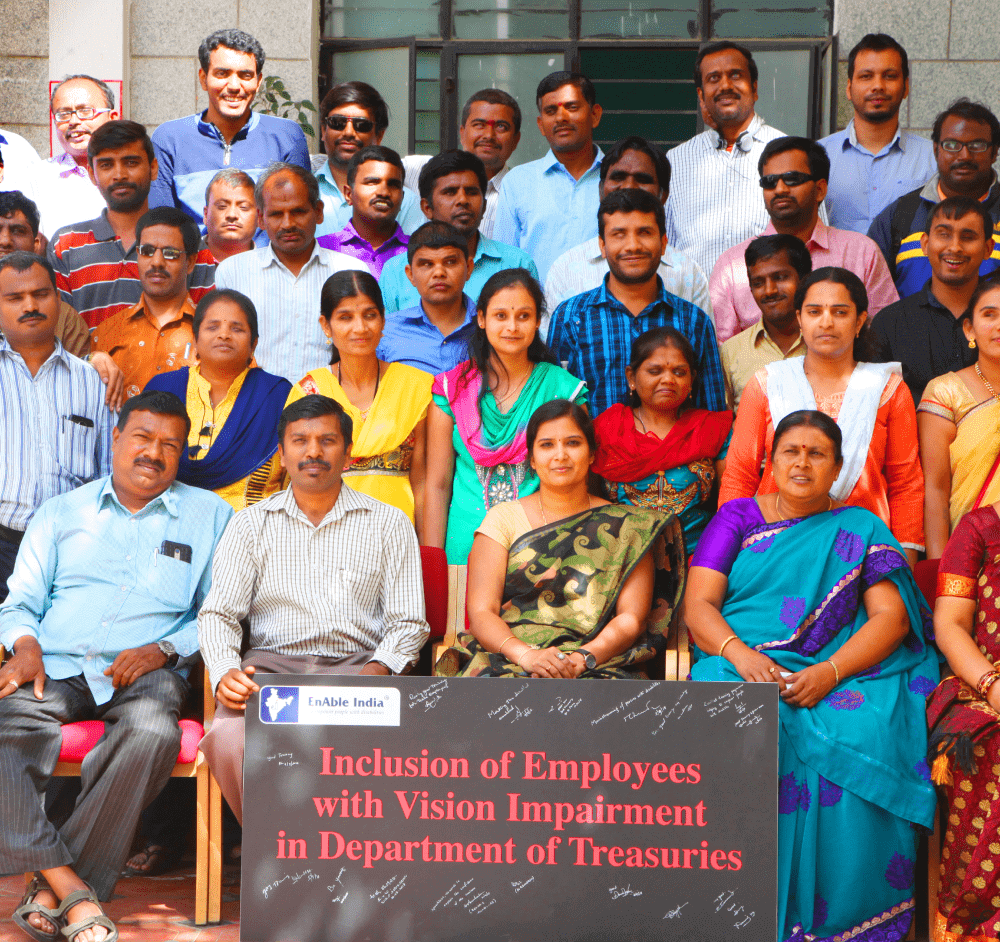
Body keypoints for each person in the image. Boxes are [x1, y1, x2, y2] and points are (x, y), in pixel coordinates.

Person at [685, 409, 938, 941]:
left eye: (816, 453)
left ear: (838, 467)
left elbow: (891, 619)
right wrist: (741, 655)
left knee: (864, 731)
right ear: (770, 461)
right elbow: (699, 606)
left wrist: (829, 672)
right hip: (739, 662)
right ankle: (735, 912)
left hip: (836, 672)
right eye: (790, 452)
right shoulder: (734, 519)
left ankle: (844, 921)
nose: (802, 463)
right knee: (737, 716)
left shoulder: (861, 526)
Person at [0, 389, 233, 941]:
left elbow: (219, 612)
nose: (153, 453)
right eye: (143, 438)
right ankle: (72, 890)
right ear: (116, 439)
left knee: (153, 732)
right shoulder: (61, 512)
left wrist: (167, 649)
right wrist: (24, 643)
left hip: (146, 674)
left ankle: (52, 889)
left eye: (169, 446)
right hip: (55, 665)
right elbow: (20, 602)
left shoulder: (211, 516)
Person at [198, 394, 430, 824]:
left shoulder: (389, 522)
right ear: (282, 454)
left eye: (327, 440)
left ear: (347, 452)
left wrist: (378, 670)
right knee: (231, 738)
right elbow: (219, 614)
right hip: (271, 673)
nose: (313, 451)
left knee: (388, 749)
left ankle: (342, 860)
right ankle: (281, 854)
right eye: (299, 440)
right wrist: (225, 669)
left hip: (357, 670)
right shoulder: (250, 523)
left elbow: (409, 622)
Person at [438, 399, 685, 678]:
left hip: (598, 663)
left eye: (572, 443)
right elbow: (483, 613)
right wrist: (528, 656)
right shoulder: (502, 519)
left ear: (592, 453)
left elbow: (632, 619)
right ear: (531, 458)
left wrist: (581, 659)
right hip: (510, 659)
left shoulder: (630, 527)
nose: (560, 455)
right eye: (546, 445)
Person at [720, 266, 924, 560]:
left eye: (840, 312)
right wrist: (726, 550)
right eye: (814, 312)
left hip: (863, 551)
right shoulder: (767, 384)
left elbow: (906, 484)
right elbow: (739, 475)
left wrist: (904, 561)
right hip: (773, 548)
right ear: (799, 320)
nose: (826, 322)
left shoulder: (887, 389)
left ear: (860, 321)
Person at [425, 268, 587, 563]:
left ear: (538, 321)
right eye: (501, 316)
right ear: (482, 319)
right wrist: (433, 562)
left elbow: (578, 480)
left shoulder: (563, 390)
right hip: (465, 546)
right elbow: (436, 484)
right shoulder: (451, 391)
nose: (512, 326)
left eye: (523, 316)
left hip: (543, 547)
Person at [0, 250, 115, 602]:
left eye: (40, 294)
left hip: (72, 550)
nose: (29, 305)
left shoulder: (94, 382)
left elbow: (110, 474)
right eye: (14, 298)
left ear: (59, 299)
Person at [548, 188, 726, 416]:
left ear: (663, 243)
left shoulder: (693, 321)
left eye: (644, 232)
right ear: (602, 245)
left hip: (678, 452)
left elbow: (712, 414)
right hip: (595, 451)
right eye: (619, 234)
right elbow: (554, 410)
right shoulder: (571, 317)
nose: (632, 245)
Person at [710, 135, 898, 342]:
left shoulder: (861, 253)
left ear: (820, 190)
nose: (780, 189)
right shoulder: (732, 265)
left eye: (792, 179)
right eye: (769, 182)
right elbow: (722, 351)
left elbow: (886, 333)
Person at [287, 271, 431, 527]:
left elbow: (422, 481)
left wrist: (424, 550)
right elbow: (298, 479)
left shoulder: (416, 386)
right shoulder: (310, 390)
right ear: (325, 325)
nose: (360, 328)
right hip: (325, 534)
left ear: (383, 320)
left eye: (369, 315)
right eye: (345, 317)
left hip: (398, 534)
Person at [47, 120, 215, 329]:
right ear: (92, 174)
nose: (120, 175)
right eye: (107, 165)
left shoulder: (186, 242)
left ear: (153, 168)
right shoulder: (66, 246)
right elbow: (58, 334)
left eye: (131, 162)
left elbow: (208, 327)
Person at [213, 162, 367, 382]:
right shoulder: (232, 272)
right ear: (261, 218)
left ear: (318, 212)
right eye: (276, 214)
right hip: (255, 404)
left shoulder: (351, 271)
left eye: (298, 212)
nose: (288, 224)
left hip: (328, 405)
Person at [544, 135, 711, 332]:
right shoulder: (565, 270)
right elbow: (554, 360)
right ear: (600, 189)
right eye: (618, 177)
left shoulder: (688, 273)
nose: (629, 187)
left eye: (643, 179)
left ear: (663, 194)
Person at [146, 289, 291, 512]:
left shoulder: (277, 396)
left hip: (255, 533)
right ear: (194, 340)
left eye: (237, 328)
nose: (224, 335)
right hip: (170, 529)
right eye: (213, 327)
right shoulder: (163, 389)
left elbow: (293, 481)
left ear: (253, 344)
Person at [149, 28, 311, 228]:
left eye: (245, 75)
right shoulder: (169, 139)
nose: (234, 85)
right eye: (222, 74)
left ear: (258, 82)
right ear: (203, 78)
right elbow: (161, 224)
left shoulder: (286, 137)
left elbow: (298, 219)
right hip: (194, 257)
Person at [593, 327, 732, 555]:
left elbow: (729, 506)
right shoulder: (606, 429)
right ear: (631, 377)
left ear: (691, 379)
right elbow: (591, 506)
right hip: (621, 559)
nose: (668, 379)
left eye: (679, 372)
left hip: (699, 557)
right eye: (655, 371)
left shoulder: (714, 429)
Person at [928, 502, 1000, 941]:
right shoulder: (979, 529)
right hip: (982, 682)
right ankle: (973, 923)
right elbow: (951, 624)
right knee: (988, 745)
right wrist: (992, 684)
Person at [664, 42, 785, 278]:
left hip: (768, 311)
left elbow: (813, 244)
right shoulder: (676, 161)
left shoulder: (789, 154)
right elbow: (665, 252)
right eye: (713, 79)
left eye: (736, 75)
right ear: (701, 95)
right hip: (694, 312)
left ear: (755, 88)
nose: (725, 86)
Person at [869, 98, 1000, 297]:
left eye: (977, 145)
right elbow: (871, 295)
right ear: (936, 149)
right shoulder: (901, 215)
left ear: (995, 152)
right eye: (952, 144)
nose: (964, 155)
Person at [378, 150, 537, 313]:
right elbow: (387, 336)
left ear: (484, 206)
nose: (462, 200)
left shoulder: (518, 264)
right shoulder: (397, 272)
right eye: (450, 192)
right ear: (427, 207)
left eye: (471, 192)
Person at [873, 197, 994, 405]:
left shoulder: (997, 319)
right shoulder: (889, 324)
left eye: (968, 237)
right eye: (944, 235)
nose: (955, 247)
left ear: (988, 248)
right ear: (925, 244)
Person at [819, 34, 936, 235]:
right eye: (866, 76)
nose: (878, 86)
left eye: (889, 76)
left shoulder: (932, 158)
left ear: (906, 86)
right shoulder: (819, 156)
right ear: (848, 88)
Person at [493, 71, 604, 281]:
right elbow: (506, 266)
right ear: (541, 124)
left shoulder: (621, 177)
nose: (561, 117)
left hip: (606, 312)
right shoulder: (517, 182)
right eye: (551, 111)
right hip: (539, 312)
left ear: (595, 115)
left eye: (572, 107)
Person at [918, 276, 1000, 559]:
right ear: (969, 329)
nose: (999, 325)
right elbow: (936, 489)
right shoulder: (946, 392)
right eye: (989, 315)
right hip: (969, 556)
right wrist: (939, 567)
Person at [90, 207, 205, 398]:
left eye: (170, 253)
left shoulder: (214, 333)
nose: (157, 262)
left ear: (191, 262)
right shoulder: (106, 334)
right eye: (147, 251)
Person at [403, 88, 523, 240]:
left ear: (516, 139)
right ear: (462, 132)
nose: (489, 135)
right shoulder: (421, 169)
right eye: (479, 124)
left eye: (501, 127)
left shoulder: (522, 192)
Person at [312, 81, 425, 238]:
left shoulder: (406, 203)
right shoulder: (303, 194)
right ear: (324, 130)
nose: (349, 132)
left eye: (361, 125)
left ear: (379, 136)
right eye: (338, 123)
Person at [720, 234, 811, 409]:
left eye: (780, 277)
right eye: (758, 282)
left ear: (804, 279)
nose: (769, 291)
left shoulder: (827, 342)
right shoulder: (731, 352)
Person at [376, 221, 476, 376]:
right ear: (410, 275)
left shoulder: (491, 327)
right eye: (427, 264)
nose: (439, 273)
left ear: (469, 268)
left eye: (450, 262)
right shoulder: (385, 333)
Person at [32, 75, 119, 237]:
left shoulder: (133, 172)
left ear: (112, 118)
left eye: (85, 111)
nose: (73, 121)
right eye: (63, 114)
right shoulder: (38, 176)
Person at [316, 145, 409, 278]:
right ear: (348, 194)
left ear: (402, 197)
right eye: (372, 182)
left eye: (393, 185)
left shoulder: (421, 254)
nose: (383, 192)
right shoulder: (321, 250)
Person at [202, 168, 258, 262]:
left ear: (259, 217)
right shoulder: (182, 262)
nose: (232, 215)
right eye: (222, 206)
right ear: (206, 214)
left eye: (243, 207)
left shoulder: (274, 269)